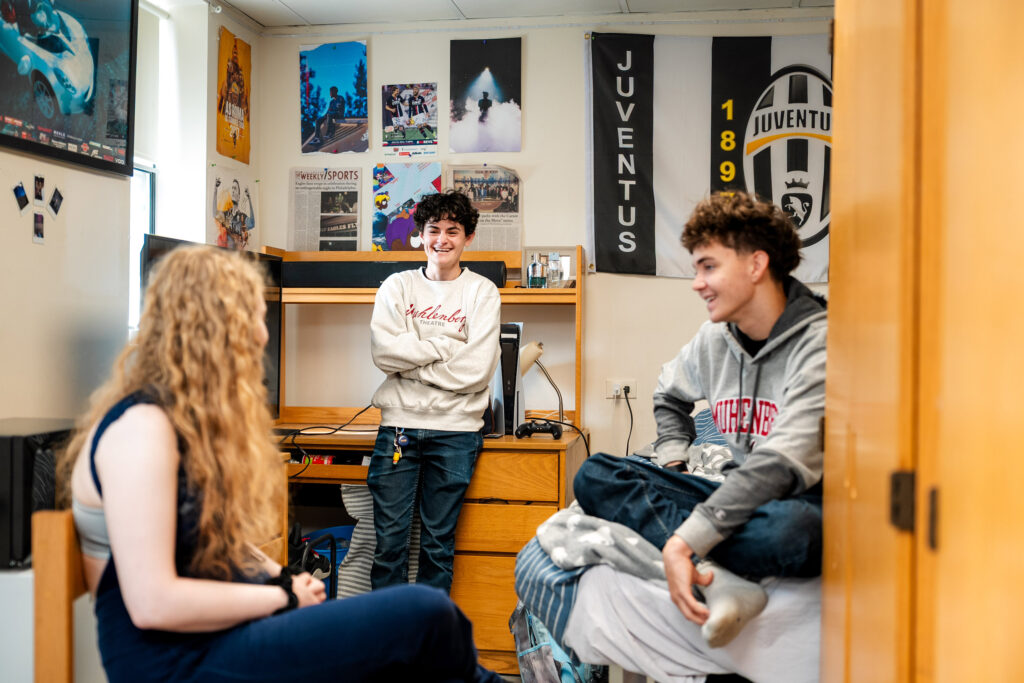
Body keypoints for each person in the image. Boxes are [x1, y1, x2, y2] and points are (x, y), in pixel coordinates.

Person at [57, 246, 502, 683]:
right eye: (250, 316)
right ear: (207, 327)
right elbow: (152, 603)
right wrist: (281, 595)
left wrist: (281, 576)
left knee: (425, 636)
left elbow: (212, 539)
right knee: (425, 613)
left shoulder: (183, 423)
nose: (261, 333)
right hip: (175, 658)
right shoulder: (141, 430)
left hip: (224, 630)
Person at [573, 191, 827, 647]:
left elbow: (780, 461)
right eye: (695, 268)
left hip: (797, 501)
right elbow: (668, 396)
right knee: (596, 475)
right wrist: (675, 463)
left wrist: (683, 541)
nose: (697, 283)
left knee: (799, 535)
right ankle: (718, 576)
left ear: (755, 265)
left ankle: (696, 557)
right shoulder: (713, 339)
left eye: (708, 266)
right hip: (729, 495)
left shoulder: (821, 342)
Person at [367, 190, 501, 593]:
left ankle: (429, 646)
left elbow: (476, 372)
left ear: (468, 238)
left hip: (457, 433)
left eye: (453, 231)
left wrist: (413, 366)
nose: (442, 240)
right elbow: (384, 353)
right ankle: (384, 647)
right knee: (388, 545)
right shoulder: (396, 287)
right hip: (398, 430)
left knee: (437, 547)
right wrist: (446, 348)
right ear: (420, 236)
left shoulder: (482, 292)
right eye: (433, 230)